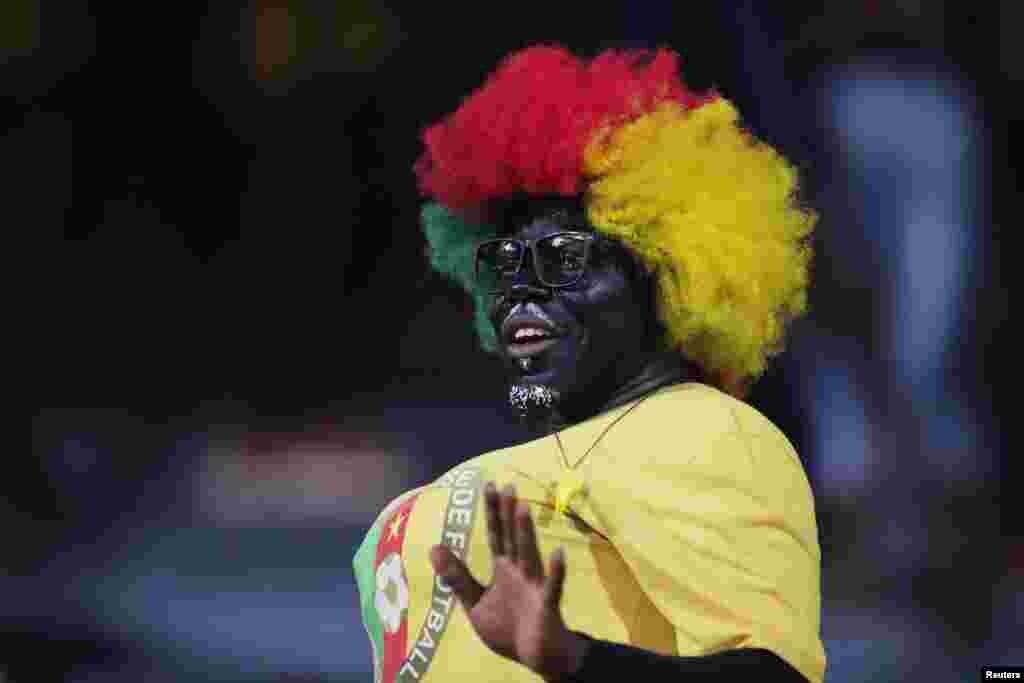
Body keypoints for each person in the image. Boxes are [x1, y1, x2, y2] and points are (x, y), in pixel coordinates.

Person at [353, 45, 825, 683]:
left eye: (564, 259)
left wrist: (577, 660)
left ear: (664, 279)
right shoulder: (562, 452)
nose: (522, 288)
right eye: (505, 262)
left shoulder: (701, 432)